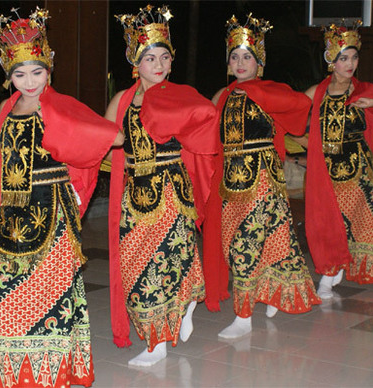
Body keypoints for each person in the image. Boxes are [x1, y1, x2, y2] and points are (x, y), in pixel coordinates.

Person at [0, 7, 123, 387]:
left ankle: (52, 374)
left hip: (52, 214)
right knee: (9, 297)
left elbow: (114, 137)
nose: (29, 81)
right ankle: (18, 373)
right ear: (8, 75)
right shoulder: (4, 111)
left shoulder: (61, 107)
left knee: (52, 297)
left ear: (49, 68)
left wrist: (74, 131)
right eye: (19, 74)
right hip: (9, 220)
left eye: (36, 72)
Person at [106, 4, 220, 367]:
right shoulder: (121, 100)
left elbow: (206, 121)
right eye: (149, 58)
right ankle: (182, 306)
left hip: (171, 190)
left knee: (164, 261)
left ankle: (158, 343)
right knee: (133, 265)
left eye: (164, 58)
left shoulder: (181, 94)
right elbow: (104, 140)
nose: (158, 65)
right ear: (134, 63)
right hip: (133, 192)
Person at [203, 14, 321, 339]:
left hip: (262, 181)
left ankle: (244, 316)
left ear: (259, 61)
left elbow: (299, 105)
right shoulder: (222, 97)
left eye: (248, 57)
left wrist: (260, 96)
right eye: (235, 57)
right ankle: (269, 293)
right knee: (247, 242)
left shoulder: (269, 91)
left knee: (248, 242)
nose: (241, 63)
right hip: (231, 182)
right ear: (228, 62)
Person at [303, 21, 373, 299]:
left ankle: (332, 272)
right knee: (327, 220)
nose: (350, 64)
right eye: (343, 58)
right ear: (331, 61)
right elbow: (291, 111)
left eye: (353, 57)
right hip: (325, 169)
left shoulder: (363, 91)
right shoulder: (317, 93)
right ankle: (332, 268)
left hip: (356, 170)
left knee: (348, 220)